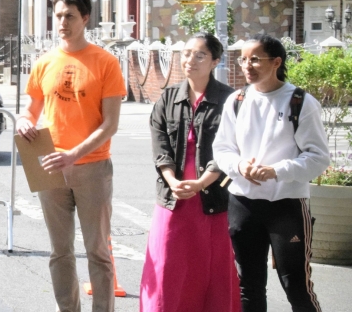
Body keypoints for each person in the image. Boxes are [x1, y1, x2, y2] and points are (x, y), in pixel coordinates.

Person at [16, 0, 126, 312]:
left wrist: (74, 154)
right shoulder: (44, 62)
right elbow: (30, 109)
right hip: (50, 165)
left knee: (98, 251)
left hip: (92, 167)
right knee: (59, 251)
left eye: (70, 16)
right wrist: (24, 121)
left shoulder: (105, 63)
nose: (62, 22)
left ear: (85, 18)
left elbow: (110, 125)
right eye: (59, 15)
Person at [212, 34, 330, 312]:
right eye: (243, 59)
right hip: (243, 202)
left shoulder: (300, 102)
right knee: (249, 286)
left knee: (295, 284)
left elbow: (318, 157)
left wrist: (276, 171)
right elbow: (222, 147)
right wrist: (239, 166)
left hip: (286, 205)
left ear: (276, 62)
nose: (247, 65)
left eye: (255, 59)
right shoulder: (237, 100)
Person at [140, 33, 239, 311]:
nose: (190, 60)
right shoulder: (168, 97)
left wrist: (201, 183)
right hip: (173, 197)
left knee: (212, 269)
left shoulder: (230, 99)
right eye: (186, 53)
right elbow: (160, 144)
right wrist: (173, 180)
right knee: (167, 266)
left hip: (212, 196)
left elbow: (229, 147)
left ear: (215, 61)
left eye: (199, 55)